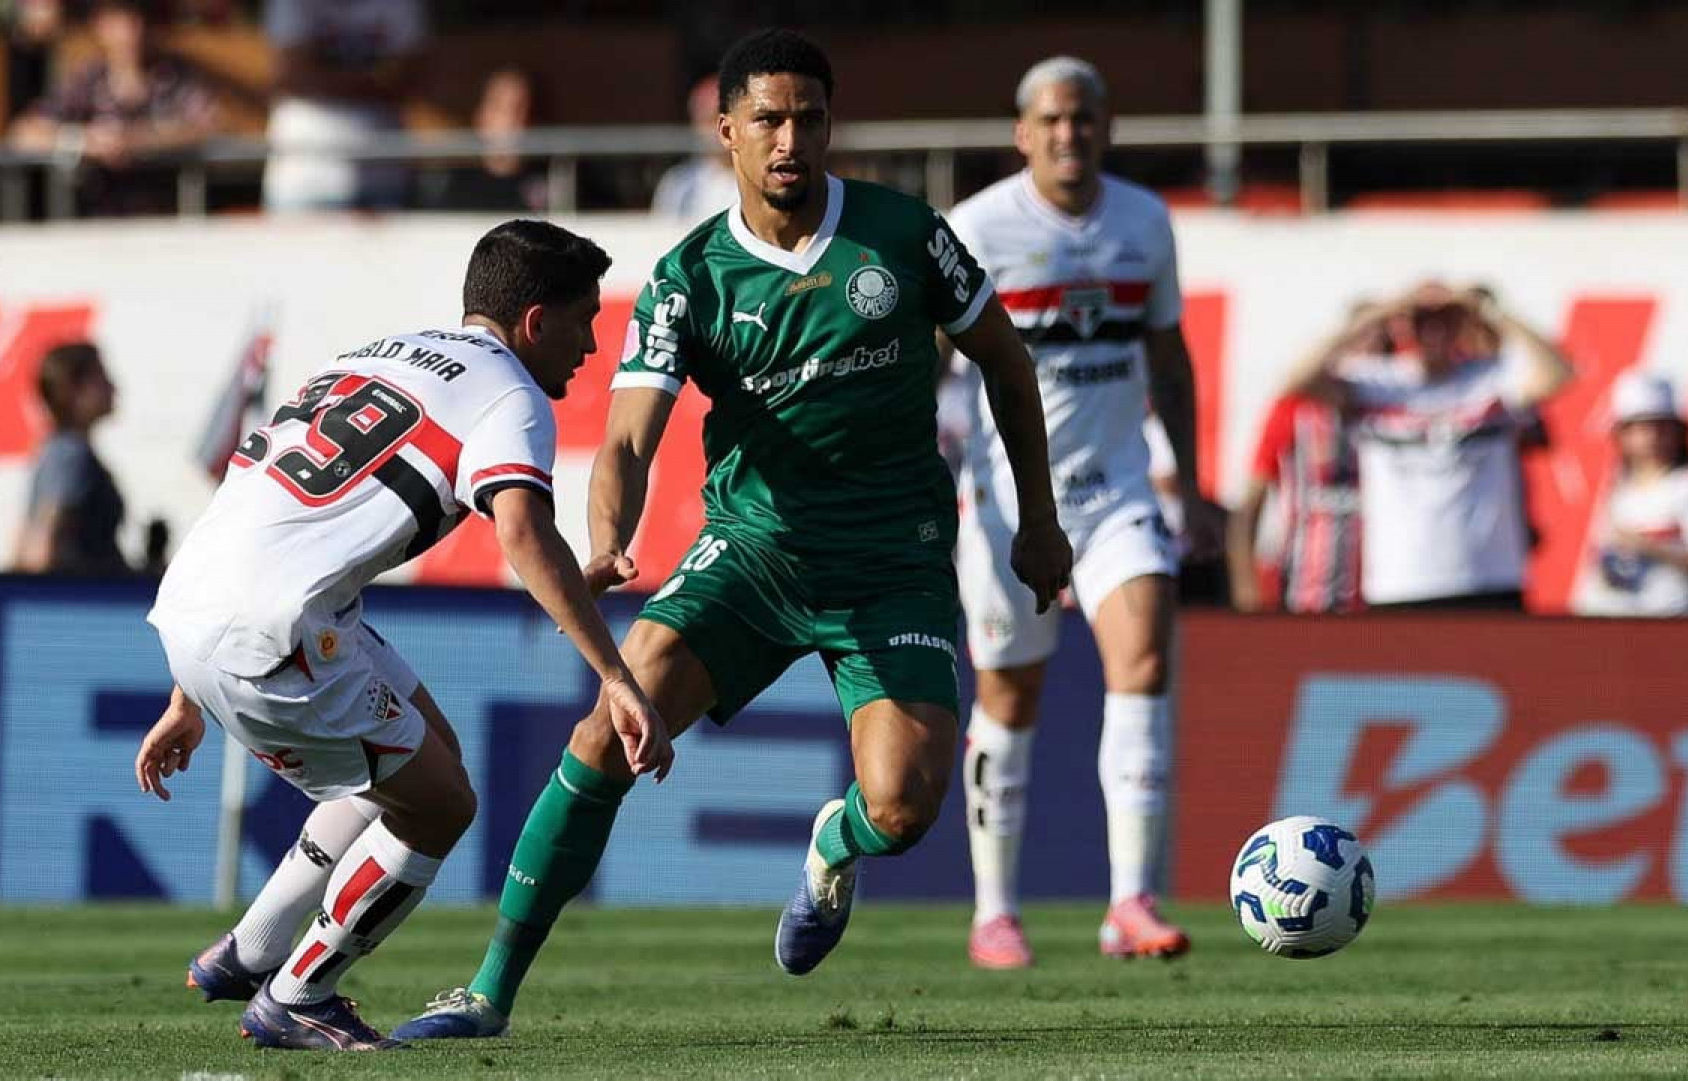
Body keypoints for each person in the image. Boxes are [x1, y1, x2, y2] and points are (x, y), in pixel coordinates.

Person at [396, 28, 1070, 1040]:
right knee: (606, 731)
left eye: (807, 118)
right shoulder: (691, 277)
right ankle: (487, 988)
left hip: (893, 560)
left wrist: (1039, 523)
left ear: (830, 127)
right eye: (768, 119)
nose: (789, 139)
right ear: (726, 132)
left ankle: (830, 849)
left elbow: (1008, 367)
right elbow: (627, 437)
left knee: (901, 806)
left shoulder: (904, 234)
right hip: (753, 553)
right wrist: (611, 535)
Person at [132, 220, 665, 1051]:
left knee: (424, 757)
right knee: (443, 803)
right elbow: (521, 529)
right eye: (583, 319)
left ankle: (253, 946)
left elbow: (254, 499)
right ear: (533, 323)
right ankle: (299, 990)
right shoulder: (509, 394)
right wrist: (616, 676)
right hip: (277, 627)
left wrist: (188, 689)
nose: (592, 345)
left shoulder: (376, 352)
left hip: (199, 603)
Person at [947, 56, 1216, 970]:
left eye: (1086, 119)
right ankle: (994, 911)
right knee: (1009, 694)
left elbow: (1169, 359)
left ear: (1107, 128)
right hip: (1012, 503)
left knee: (1143, 659)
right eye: (1052, 121)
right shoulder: (978, 228)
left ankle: (1131, 901)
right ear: (1023, 134)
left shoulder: (1144, 221)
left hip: (1118, 493)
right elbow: (926, 363)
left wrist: (1195, 476)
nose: (1070, 134)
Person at [1285, 281, 1574, 610]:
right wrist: (1385, 310)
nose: (1434, 333)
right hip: (1400, 582)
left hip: (1489, 578)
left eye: (1445, 322)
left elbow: (1559, 372)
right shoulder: (1376, 383)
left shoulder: (1491, 378)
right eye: (1422, 322)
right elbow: (1297, 379)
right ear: (1404, 327)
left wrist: (1489, 311)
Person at [1228, 301, 1387, 614]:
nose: (1369, 356)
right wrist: (1246, 587)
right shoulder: (1293, 409)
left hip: (1383, 593)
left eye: (1381, 346)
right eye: (1361, 341)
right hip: (1305, 592)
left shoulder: (1397, 414)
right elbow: (1249, 508)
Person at [8, 0, 219, 217]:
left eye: (136, 19)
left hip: (164, 222)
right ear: (100, 26)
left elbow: (206, 124)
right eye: (119, 21)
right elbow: (24, 134)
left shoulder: (174, 77)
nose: (130, 32)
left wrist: (140, 139)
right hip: (97, 223)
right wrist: (86, 141)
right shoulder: (87, 81)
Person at [261, 0, 423, 213]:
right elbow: (292, 75)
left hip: (383, 176)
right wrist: (374, 82)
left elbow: (412, 76)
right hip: (304, 179)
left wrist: (322, 79)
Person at [1573, 370, 1688, 616]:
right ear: (1622, 434)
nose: (1651, 437)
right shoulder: (1616, 489)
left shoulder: (1687, 485)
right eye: (1640, 428)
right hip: (1623, 620)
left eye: (1661, 427)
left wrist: (1648, 547)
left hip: (1676, 619)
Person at [15, 341, 132, 575]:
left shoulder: (61, 451)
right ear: (73, 390)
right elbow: (40, 547)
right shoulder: (69, 454)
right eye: (101, 378)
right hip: (81, 605)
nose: (113, 388)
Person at [418, 66, 546, 212]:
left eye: (522, 107)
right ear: (481, 116)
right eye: (501, 107)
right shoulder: (455, 187)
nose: (513, 118)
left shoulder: (556, 182)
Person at [649, 73, 738, 222]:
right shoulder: (678, 183)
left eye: (725, 119)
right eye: (709, 120)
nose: (719, 129)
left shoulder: (758, 183)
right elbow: (661, 236)